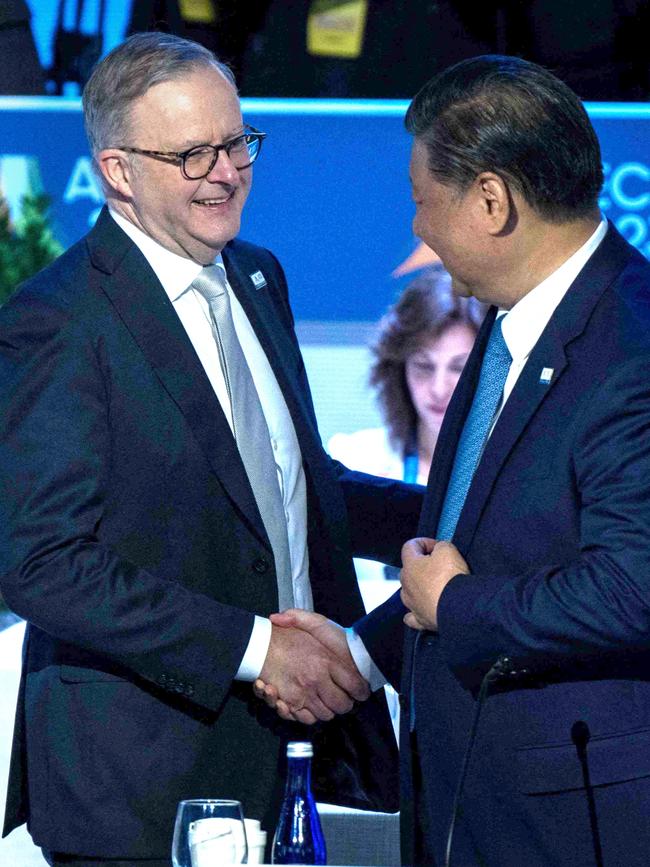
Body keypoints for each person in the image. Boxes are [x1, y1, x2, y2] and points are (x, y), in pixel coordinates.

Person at [0, 32, 423, 867]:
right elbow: (39, 558)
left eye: (236, 143)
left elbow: (298, 486)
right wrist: (259, 648)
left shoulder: (259, 275)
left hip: (304, 758)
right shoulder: (59, 317)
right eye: (193, 155)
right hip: (142, 782)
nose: (227, 172)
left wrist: (459, 505)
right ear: (119, 172)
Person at [258, 55, 650, 866]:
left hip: (573, 825)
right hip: (465, 805)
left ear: (492, 199)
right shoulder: (512, 324)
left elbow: (634, 584)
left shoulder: (632, 343)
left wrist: (463, 606)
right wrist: (364, 652)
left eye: (422, 202)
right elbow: (480, 536)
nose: (418, 231)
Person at [329, 268, 483, 488]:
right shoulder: (355, 462)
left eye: (459, 368)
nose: (438, 389)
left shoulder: (516, 476)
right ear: (399, 368)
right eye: (424, 366)